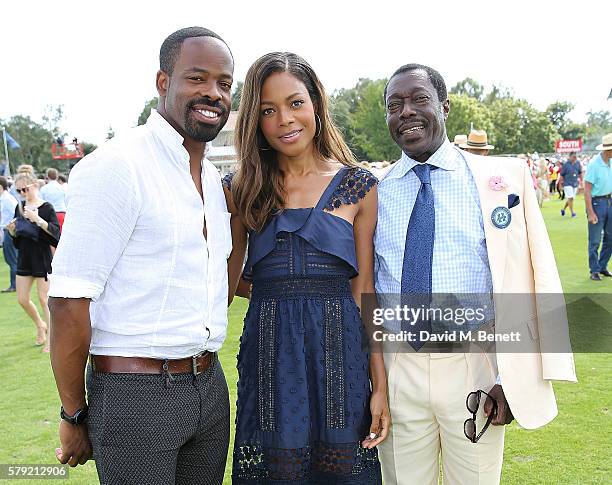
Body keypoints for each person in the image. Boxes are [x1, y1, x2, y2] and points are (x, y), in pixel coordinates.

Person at [373, 63, 576, 485]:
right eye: (395, 105)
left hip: (474, 367)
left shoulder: (501, 182)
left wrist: (510, 376)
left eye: (418, 100)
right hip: (398, 372)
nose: (406, 112)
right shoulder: (376, 189)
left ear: (444, 108)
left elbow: (535, 279)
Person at [47, 27, 234, 484]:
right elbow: (69, 301)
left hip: (209, 386)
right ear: (163, 81)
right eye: (198, 78)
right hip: (135, 392)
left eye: (224, 83)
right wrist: (73, 414)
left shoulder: (211, 178)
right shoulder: (118, 165)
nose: (213, 92)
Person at [224, 52, 388, 484]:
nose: (285, 119)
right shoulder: (242, 189)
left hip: (341, 356)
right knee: (279, 472)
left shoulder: (359, 185)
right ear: (255, 121)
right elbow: (222, 284)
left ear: (316, 102)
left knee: (341, 472)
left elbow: (364, 292)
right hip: (270, 355)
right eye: (267, 110)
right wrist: (277, 291)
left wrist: (381, 388)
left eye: (295, 103)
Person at [6, 172, 59, 351]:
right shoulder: (19, 207)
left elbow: (55, 233)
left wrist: (37, 219)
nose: (22, 193)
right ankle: (40, 325)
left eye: (25, 189)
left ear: (34, 185)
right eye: (19, 190)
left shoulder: (47, 207)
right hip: (25, 257)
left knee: (45, 300)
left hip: (42, 256)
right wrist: (13, 231)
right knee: (22, 299)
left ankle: (51, 339)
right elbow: (18, 238)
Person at [584, 133, 612, 281]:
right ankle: (594, 270)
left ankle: (602, 266)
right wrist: (590, 212)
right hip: (596, 203)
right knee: (595, 240)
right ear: (608, 150)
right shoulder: (594, 164)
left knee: (610, 237)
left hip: (609, 201)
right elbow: (587, 189)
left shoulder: (611, 162)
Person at [0, 176, 18, 292]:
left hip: (10, 230)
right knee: (10, 258)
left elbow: (16, 215)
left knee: (12, 259)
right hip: (6, 230)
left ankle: (14, 285)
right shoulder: (4, 198)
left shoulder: (7, 199)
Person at [559, 151, 582, 217]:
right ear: (570, 157)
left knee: (571, 199)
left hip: (575, 183)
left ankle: (563, 209)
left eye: (575, 157)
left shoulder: (578, 163)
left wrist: (581, 182)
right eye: (573, 157)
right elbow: (561, 175)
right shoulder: (566, 165)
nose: (575, 158)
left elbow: (580, 173)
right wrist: (560, 184)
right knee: (570, 197)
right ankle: (572, 212)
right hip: (567, 183)